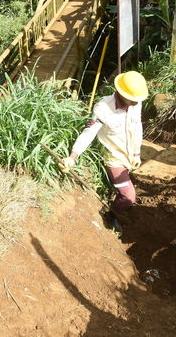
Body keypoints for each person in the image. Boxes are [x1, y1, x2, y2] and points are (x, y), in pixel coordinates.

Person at [59, 71, 148, 235]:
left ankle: (116, 194)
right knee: (129, 196)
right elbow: (88, 134)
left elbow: (137, 128)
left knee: (124, 188)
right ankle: (112, 214)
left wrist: (136, 153)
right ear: (121, 93)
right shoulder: (103, 108)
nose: (136, 102)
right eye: (133, 99)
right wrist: (72, 157)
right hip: (113, 156)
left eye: (138, 99)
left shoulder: (136, 104)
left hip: (130, 155)